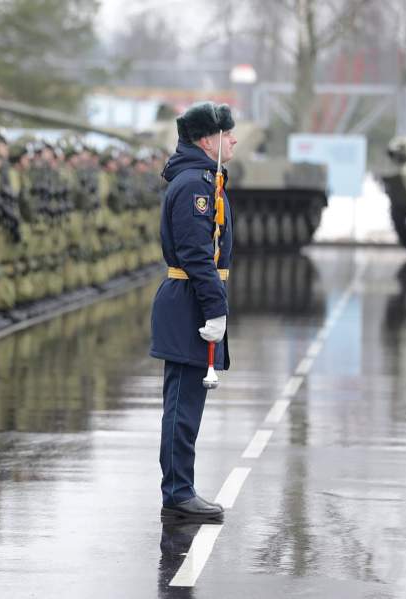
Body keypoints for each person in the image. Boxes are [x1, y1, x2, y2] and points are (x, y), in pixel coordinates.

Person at [151, 101, 236, 522]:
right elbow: (196, 253)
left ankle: (180, 488)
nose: (233, 139)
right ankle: (178, 493)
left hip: (192, 299)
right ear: (207, 140)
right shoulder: (194, 186)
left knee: (186, 405)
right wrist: (215, 307)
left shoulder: (205, 179)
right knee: (183, 407)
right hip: (190, 301)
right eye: (227, 134)